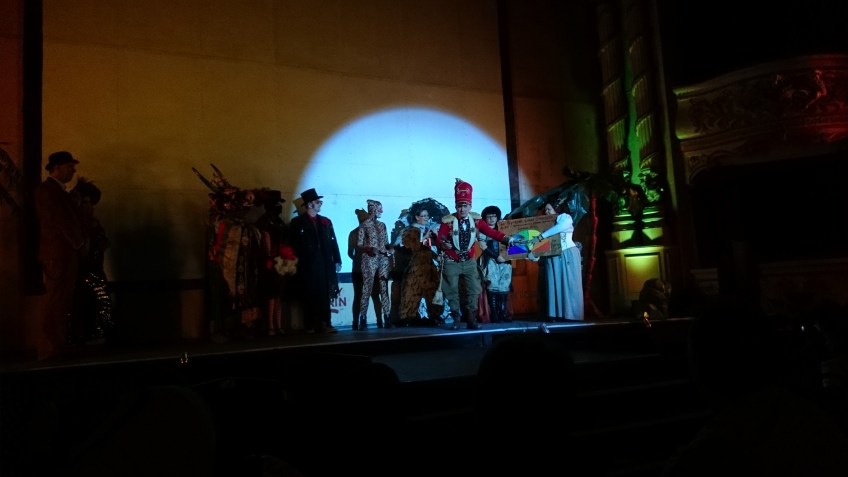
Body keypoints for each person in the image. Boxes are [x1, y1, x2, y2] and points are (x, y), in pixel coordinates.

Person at [436, 179, 511, 330]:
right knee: (451, 290)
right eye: (459, 206)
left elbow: (492, 232)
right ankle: (456, 319)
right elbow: (439, 239)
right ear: (456, 206)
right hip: (452, 261)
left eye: (465, 206)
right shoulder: (448, 221)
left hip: (469, 261)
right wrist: (444, 244)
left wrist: (508, 239)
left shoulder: (476, 221)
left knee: (474, 289)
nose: (462, 209)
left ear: (470, 206)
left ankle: (471, 318)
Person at [34, 151, 88, 359]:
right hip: (59, 253)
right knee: (55, 300)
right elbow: (61, 221)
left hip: (61, 253)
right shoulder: (48, 191)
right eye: (69, 166)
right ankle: (50, 347)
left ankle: (56, 345)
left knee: (61, 300)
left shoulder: (55, 192)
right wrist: (79, 243)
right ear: (57, 167)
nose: (73, 170)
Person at [288, 188, 341, 334]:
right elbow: (293, 243)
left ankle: (325, 322)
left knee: (324, 293)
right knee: (309, 292)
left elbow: (333, 241)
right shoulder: (298, 222)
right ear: (310, 204)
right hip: (307, 263)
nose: (320, 204)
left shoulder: (325, 222)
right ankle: (310, 324)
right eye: (317, 202)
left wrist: (337, 259)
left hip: (324, 262)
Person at [69, 177, 114, 346]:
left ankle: (97, 335)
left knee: (102, 302)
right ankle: (81, 336)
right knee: (82, 304)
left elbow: (102, 244)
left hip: (95, 269)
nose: (89, 207)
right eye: (86, 203)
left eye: (91, 203)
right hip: (82, 272)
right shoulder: (75, 224)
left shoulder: (93, 223)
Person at [529, 200, 584, 321]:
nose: (547, 212)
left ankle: (571, 314)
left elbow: (560, 227)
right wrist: (534, 253)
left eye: (549, 209)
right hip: (552, 256)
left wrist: (540, 236)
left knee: (568, 283)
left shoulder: (565, 217)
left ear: (557, 209)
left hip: (567, 253)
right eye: (545, 210)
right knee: (554, 284)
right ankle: (557, 314)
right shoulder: (546, 224)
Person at [397, 207, 442, 326]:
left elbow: (429, 249)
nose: (426, 218)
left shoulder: (428, 230)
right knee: (412, 291)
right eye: (423, 216)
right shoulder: (411, 231)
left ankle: (434, 315)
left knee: (432, 291)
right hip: (416, 267)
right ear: (417, 217)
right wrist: (425, 236)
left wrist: (435, 254)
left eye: (427, 216)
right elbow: (412, 247)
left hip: (429, 267)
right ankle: (409, 317)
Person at [354, 199, 392, 330]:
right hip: (369, 258)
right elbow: (359, 244)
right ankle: (363, 319)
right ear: (373, 209)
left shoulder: (382, 225)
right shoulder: (364, 225)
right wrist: (369, 249)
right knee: (367, 288)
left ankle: (387, 317)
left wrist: (390, 249)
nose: (382, 211)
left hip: (383, 258)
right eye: (379, 208)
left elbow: (386, 242)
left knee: (384, 288)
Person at [478, 205, 513, 323]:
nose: (492, 218)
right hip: (491, 260)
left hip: (506, 261)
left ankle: (503, 313)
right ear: (485, 218)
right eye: (489, 216)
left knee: (504, 285)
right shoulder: (482, 231)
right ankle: (494, 314)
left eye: (494, 216)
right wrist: (496, 256)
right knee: (492, 286)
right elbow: (483, 246)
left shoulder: (505, 229)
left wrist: (506, 257)